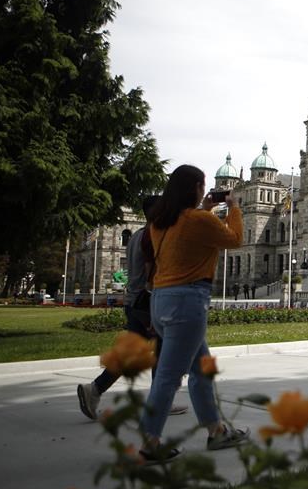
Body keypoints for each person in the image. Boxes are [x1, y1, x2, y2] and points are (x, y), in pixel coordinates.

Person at [139, 165, 248, 463]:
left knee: (201, 370)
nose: (206, 190)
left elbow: (186, 232)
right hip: (187, 302)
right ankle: (150, 443)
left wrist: (205, 208)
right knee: (167, 378)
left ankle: (217, 431)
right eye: (203, 186)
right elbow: (235, 239)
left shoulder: (161, 222)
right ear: (197, 189)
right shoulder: (199, 220)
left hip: (160, 300)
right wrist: (235, 208)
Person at [76, 196, 189, 420]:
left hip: (135, 302)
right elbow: (153, 274)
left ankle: (95, 389)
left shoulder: (138, 235)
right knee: (163, 352)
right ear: (157, 213)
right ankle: (159, 402)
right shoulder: (153, 237)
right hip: (149, 303)